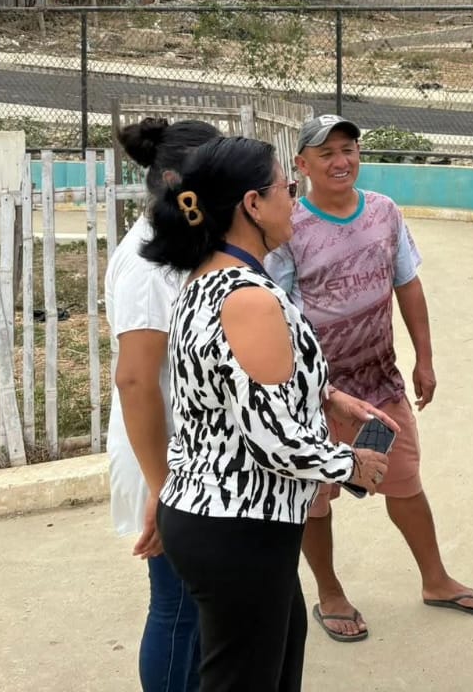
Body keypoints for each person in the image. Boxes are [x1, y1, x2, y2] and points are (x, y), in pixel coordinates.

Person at [142, 134, 395, 692]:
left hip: (227, 521)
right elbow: (272, 439)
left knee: (276, 664)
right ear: (253, 205)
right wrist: (351, 465)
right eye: (287, 187)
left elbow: (230, 389)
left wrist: (327, 396)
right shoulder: (250, 299)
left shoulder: (209, 278)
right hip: (237, 527)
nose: (295, 199)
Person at [267, 113, 473, 642]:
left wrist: (424, 359)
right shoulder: (288, 228)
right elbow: (274, 312)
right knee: (316, 499)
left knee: (405, 481)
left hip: (380, 383)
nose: (341, 161)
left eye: (348, 149)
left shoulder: (384, 212)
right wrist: (306, 389)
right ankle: (330, 593)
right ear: (302, 165)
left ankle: (436, 580)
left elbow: (407, 284)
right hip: (315, 396)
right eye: (326, 153)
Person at [106, 116, 220, 692]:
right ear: (178, 182)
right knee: (176, 607)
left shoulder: (176, 245)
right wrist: (162, 484)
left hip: (184, 456)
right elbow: (135, 380)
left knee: (196, 605)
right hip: (165, 458)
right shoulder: (146, 265)